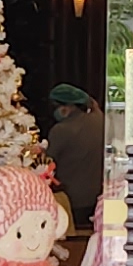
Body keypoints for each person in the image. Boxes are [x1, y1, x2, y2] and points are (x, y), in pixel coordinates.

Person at [45, 83, 106, 222]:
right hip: (97, 196)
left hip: (72, 201)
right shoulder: (100, 119)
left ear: (67, 107)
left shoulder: (61, 130)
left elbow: (48, 162)